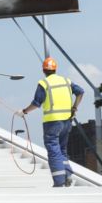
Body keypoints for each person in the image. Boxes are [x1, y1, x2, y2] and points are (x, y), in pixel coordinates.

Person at [28, 58, 80, 188]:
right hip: (67, 120)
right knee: (62, 149)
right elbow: (81, 92)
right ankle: (67, 175)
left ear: (44, 70)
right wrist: (74, 108)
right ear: (55, 69)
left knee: (53, 150)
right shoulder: (66, 81)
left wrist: (24, 111)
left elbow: (36, 103)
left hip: (52, 122)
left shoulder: (44, 83)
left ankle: (59, 181)